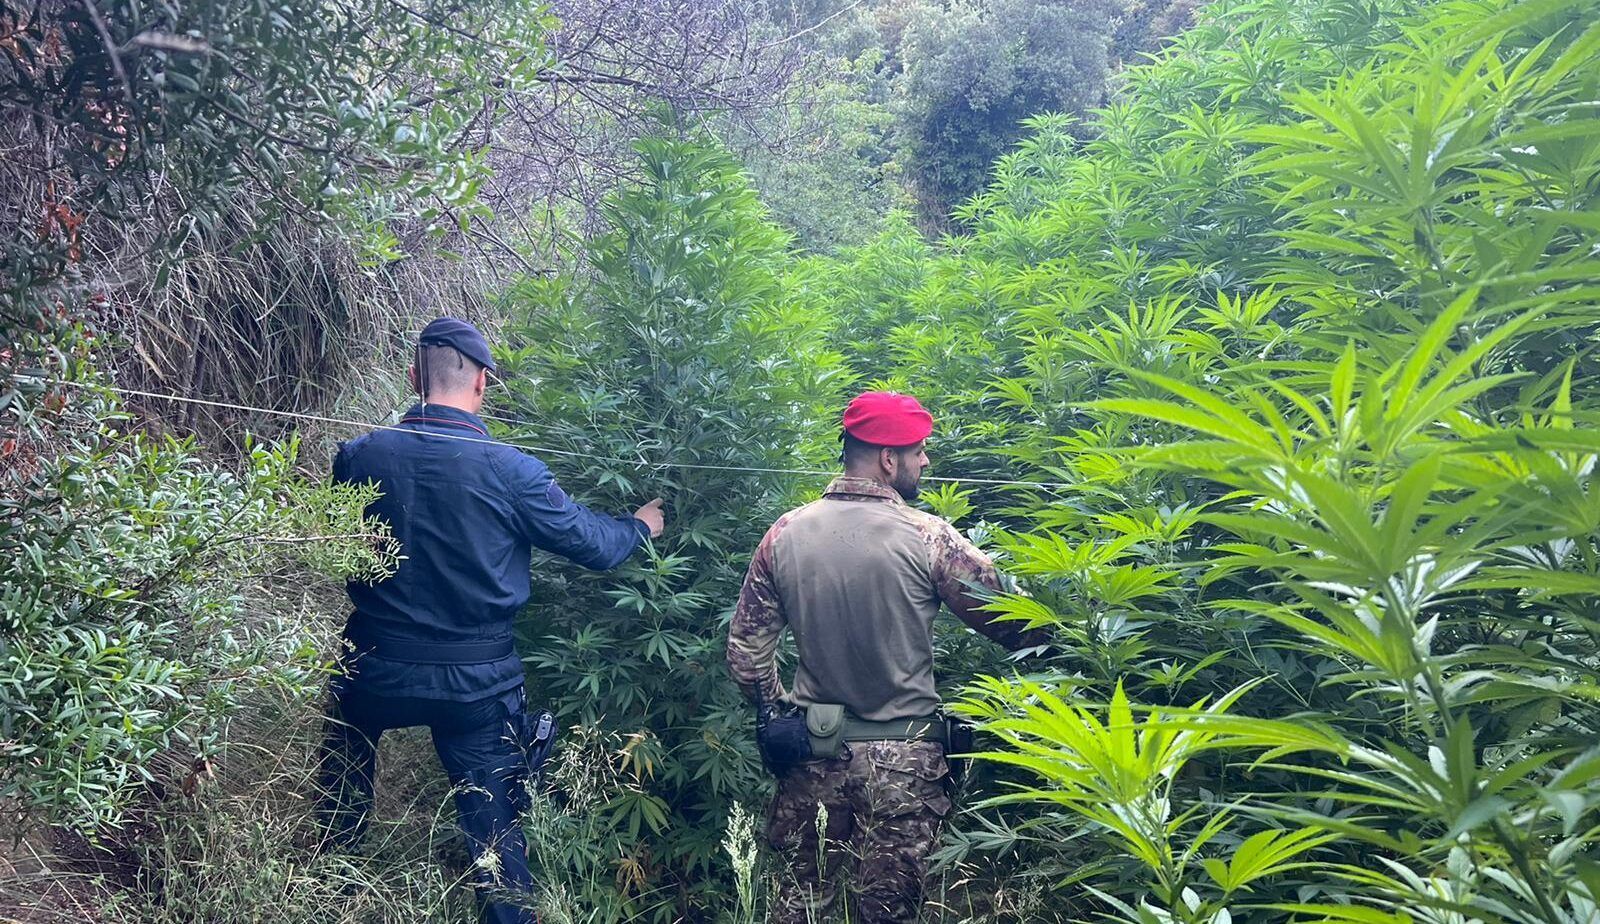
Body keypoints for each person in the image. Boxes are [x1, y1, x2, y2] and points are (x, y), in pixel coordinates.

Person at [317, 317, 665, 924]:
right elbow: (597, 546)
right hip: (475, 681)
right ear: (482, 382)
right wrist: (640, 525)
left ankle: (328, 888)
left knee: (342, 789)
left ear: (411, 375)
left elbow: (338, 547)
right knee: (498, 841)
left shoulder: (359, 457)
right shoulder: (513, 471)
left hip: (374, 664)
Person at [726, 390, 1042, 924]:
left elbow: (745, 655)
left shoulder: (784, 534)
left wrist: (776, 716)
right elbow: (1018, 624)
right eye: (919, 451)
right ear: (888, 459)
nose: (925, 461)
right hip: (906, 769)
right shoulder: (929, 538)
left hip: (811, 757)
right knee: (890, 912)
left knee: (804, 908)